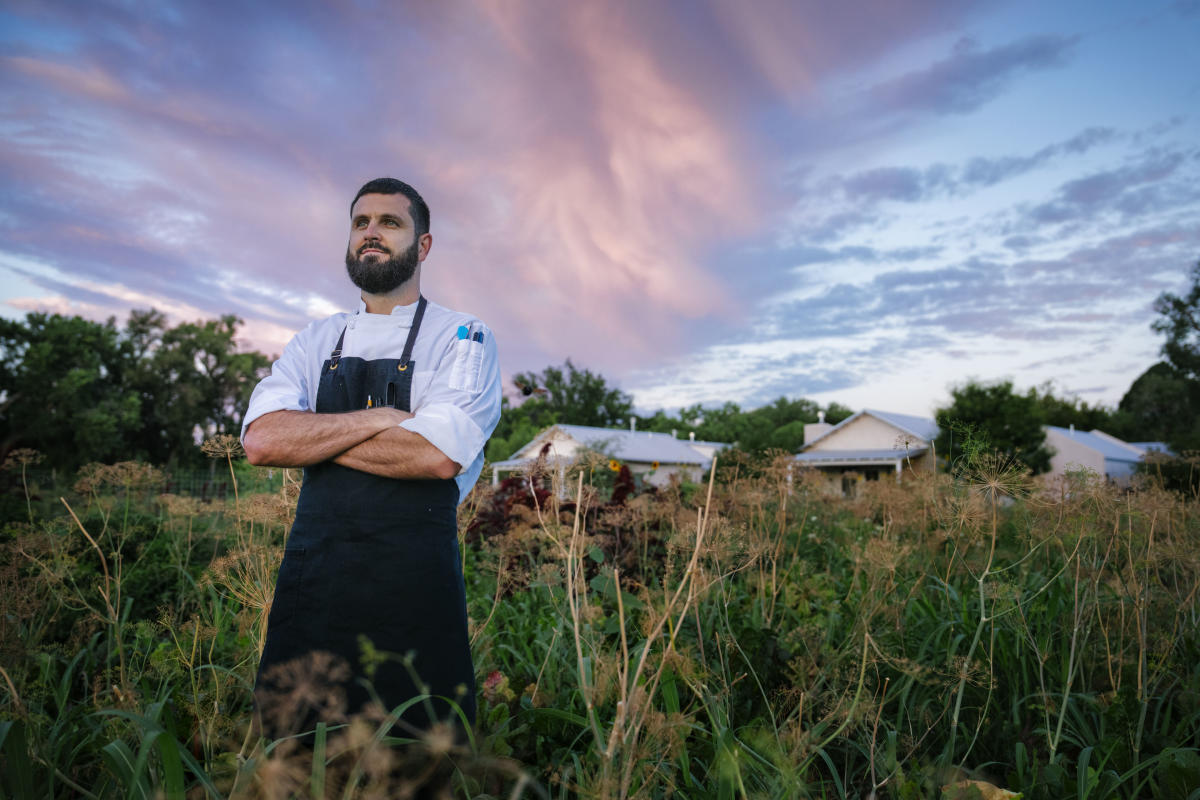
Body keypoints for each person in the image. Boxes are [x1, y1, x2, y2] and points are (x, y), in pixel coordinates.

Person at [241, 178, 501, 741]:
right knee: (295, 750)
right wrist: (382, 417)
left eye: (390, 222)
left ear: (423, 245)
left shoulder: (463, 336)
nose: (372, 234)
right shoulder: (316, 339)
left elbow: (436, 456)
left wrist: (314, 436)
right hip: (316, 580)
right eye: (361, 223)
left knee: (415, 755)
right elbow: (263, 441)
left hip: (414, 587)